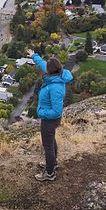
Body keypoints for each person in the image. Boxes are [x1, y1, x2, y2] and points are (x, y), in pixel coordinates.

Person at [26, 48, 73, 181]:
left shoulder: (55, 87)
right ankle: (53, 163)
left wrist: (41, 113)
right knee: (51, 141)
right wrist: (34, 55)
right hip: (49, 118)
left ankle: (50, 173)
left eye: (47, 67)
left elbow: (57, 111)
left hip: (50, 119)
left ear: (51, 70)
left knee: (48, 145)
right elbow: (42, 64)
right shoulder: (56, 75)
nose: (44, 67)